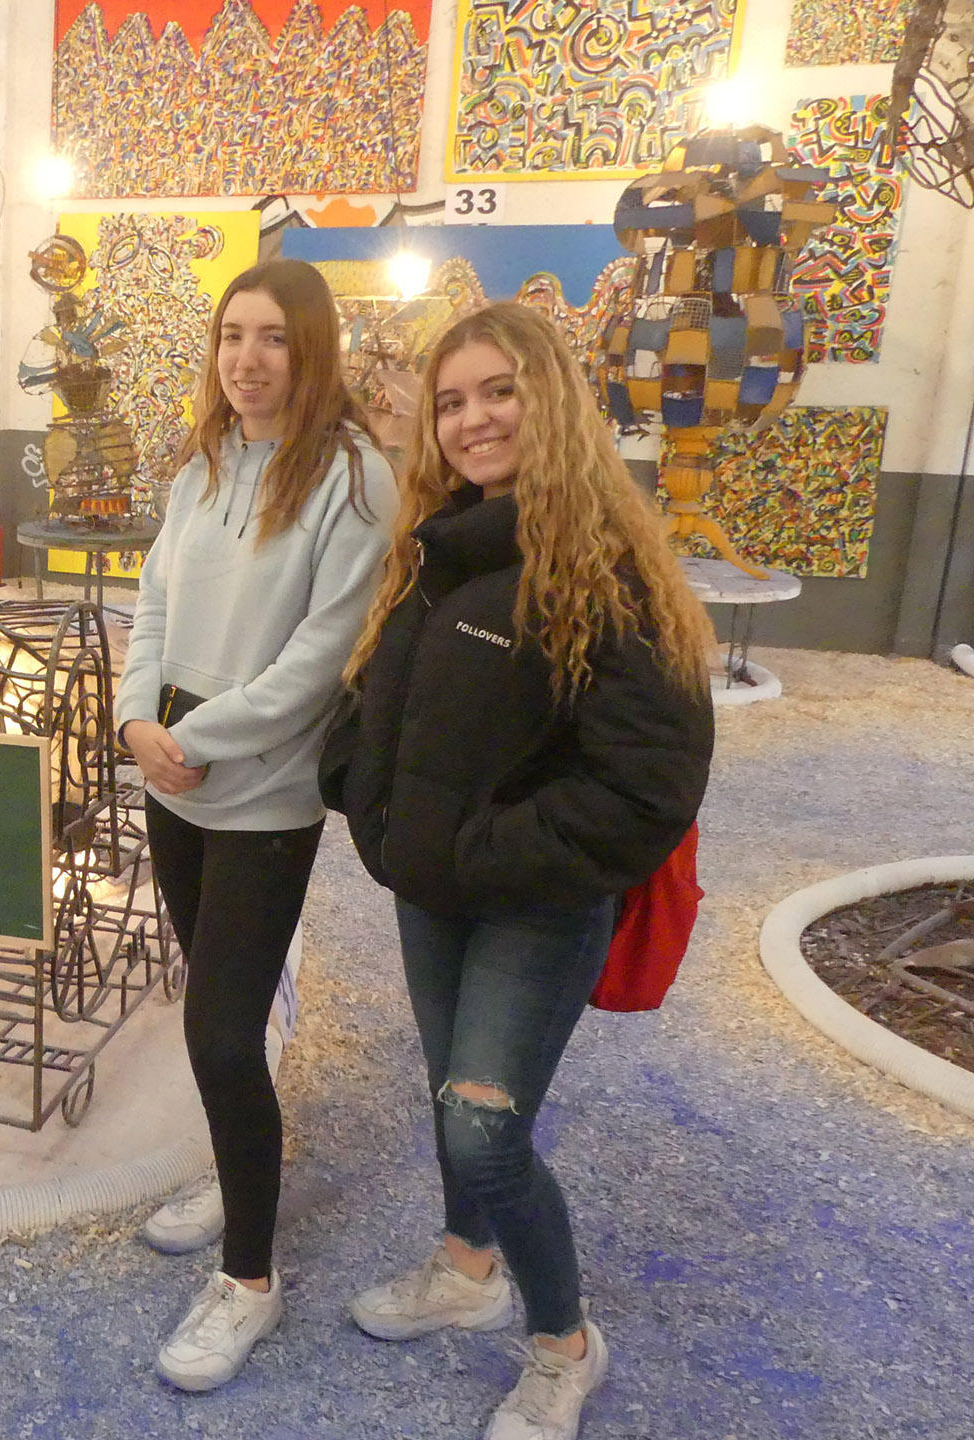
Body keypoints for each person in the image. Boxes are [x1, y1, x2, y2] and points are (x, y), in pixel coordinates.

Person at [328, 302, 715, 1440]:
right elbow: (376, 701)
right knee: (448, 1093)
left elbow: (645, 787)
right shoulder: (440, 548)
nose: (474, 419)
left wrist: (479, 851)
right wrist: (364, 797)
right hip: (433, 890)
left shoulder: (609, 571)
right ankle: (466, 1269)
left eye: (500, 391)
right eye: (452, 401)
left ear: (552, 399)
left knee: (485, 1131)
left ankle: (565, 1345)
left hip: (535, 906)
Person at [114, 258, 394, 1391]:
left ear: (312, 347)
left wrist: (193, 736)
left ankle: (249, 1283)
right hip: (172, 776)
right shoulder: (204, 465)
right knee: (213, 1008)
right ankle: (238, 1174)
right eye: (233, 334)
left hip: (261, 794)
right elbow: (152, 606)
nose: (248, 358)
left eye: (273, 336)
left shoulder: (354, 479)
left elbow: (317, 663)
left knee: (223, 1034)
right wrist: (137, 722)